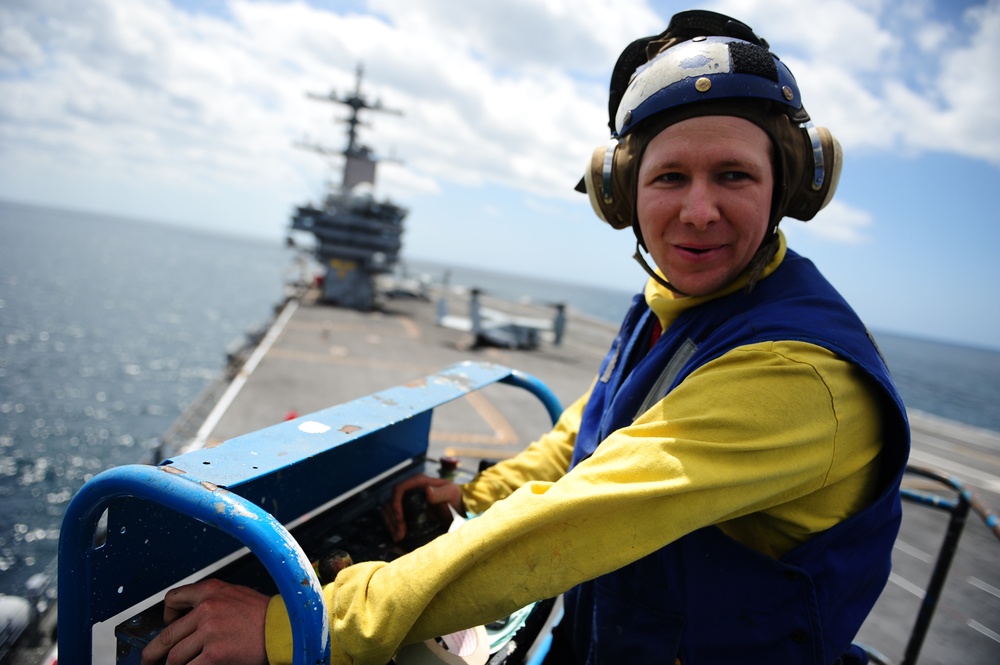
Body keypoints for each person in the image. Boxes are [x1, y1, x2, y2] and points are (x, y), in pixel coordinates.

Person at [142, 10, 909, 665]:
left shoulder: (793, 373)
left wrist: (297, 622)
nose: (698, 210)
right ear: (622, 195)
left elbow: (564, 526)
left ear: (788, 187)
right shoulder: (677, 304)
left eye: (734, 176)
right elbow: (587, 436)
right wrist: (476, 492)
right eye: (670, 177)